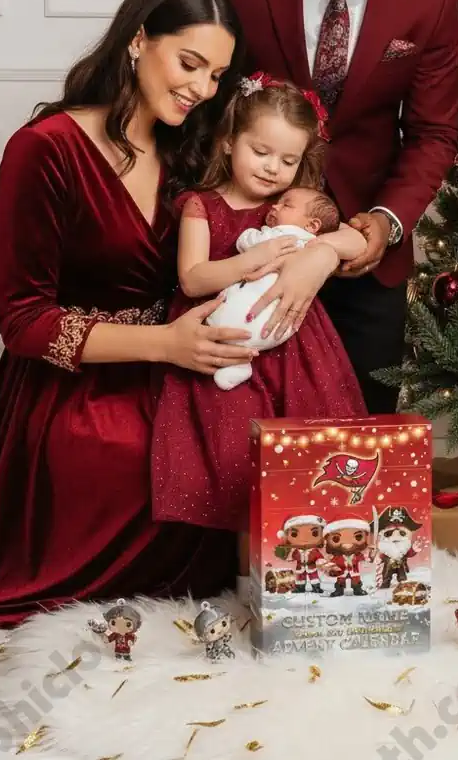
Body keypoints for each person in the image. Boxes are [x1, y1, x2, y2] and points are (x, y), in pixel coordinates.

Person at [0, 0, 342, 626]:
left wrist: (324, 251)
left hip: (181, 371)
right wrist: (167, 343)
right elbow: (25, 321)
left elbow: (285, 217)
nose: (200, 89)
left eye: (216, 76)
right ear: (138, 40)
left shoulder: (194, 151)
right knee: (143, 454)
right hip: (78, 385)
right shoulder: (46, 150)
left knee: (253, 445)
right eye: (189, 63)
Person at [200, 0, 458, 412]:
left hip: (362, 257)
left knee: (361, 441)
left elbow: (434, 132)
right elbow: (199, 92)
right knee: (231, 428)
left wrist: (383, 223)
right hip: (238, 245)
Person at [150, 74, 368, 594]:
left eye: (288, 161)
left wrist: (324, 249)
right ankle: (241, 581)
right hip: (226, 348)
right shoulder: (202, 205)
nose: (272, 169)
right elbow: (193, 277)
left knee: (306, 454)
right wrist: (254, 259)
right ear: (229, 142)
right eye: (261, 151)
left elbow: (356, 244)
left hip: (296, 345)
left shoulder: (299, 209)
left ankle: (300, 580)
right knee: (235, 459)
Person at [205, 183, 345, 390]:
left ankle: (239, 359)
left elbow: (248, 243)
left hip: (258, 303)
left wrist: (249, 235)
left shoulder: (284, 235)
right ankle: (242, 360)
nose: (275, 208)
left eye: (286, 206)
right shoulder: (314, 245)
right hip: (281, 321)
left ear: (312, 225)